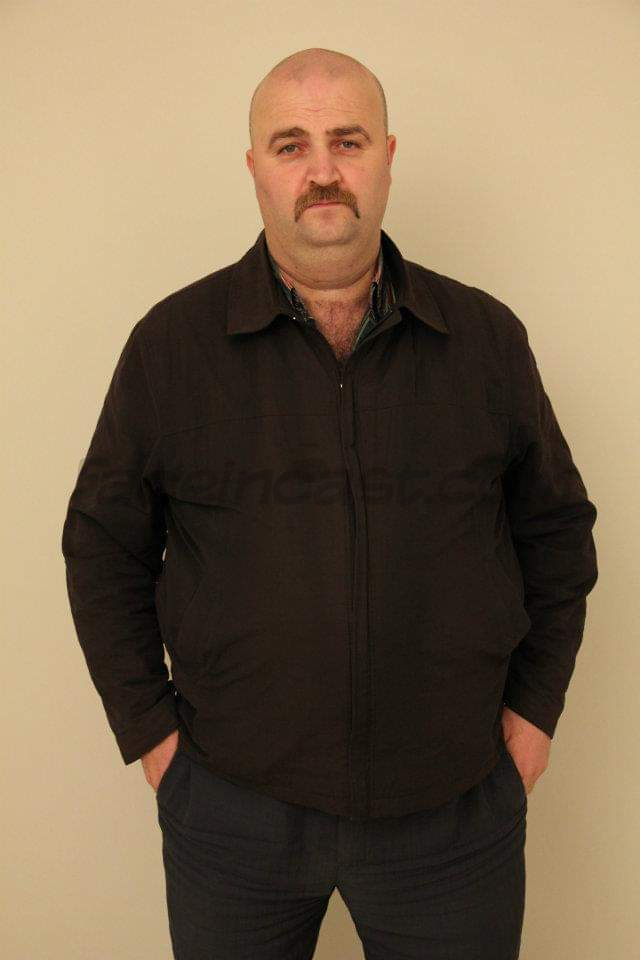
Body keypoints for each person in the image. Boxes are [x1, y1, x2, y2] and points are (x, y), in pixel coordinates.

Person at [61, 47, 598, 959]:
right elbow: (102, 547)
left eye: (347, 141)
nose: (321, 171)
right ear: (255, 168)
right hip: (231, 815)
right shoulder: (172, 346)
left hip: (454, 817)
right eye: (291, 145)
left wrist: (536, 714)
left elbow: (556, 534)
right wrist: (154, 740)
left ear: (387, 156)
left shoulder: (485, 339)